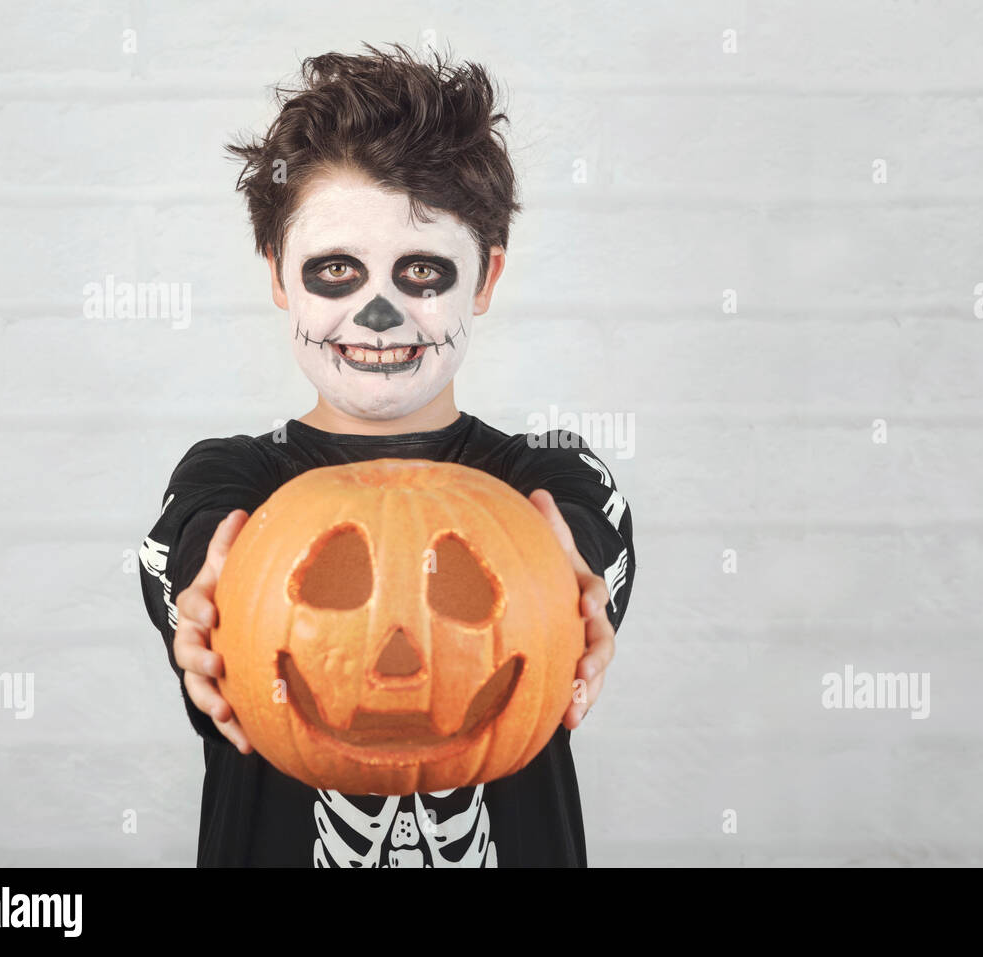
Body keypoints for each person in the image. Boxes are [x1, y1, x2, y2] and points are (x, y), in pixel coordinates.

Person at [137, 43, 635, 867]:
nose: (377, 312)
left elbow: (578, 536)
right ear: (278, 277)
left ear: (485, 280)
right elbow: (198, 545)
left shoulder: (548, 475)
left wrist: (573, 570)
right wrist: (200, 599)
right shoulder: (227, 476)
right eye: (336, 269)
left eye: (423, 270)